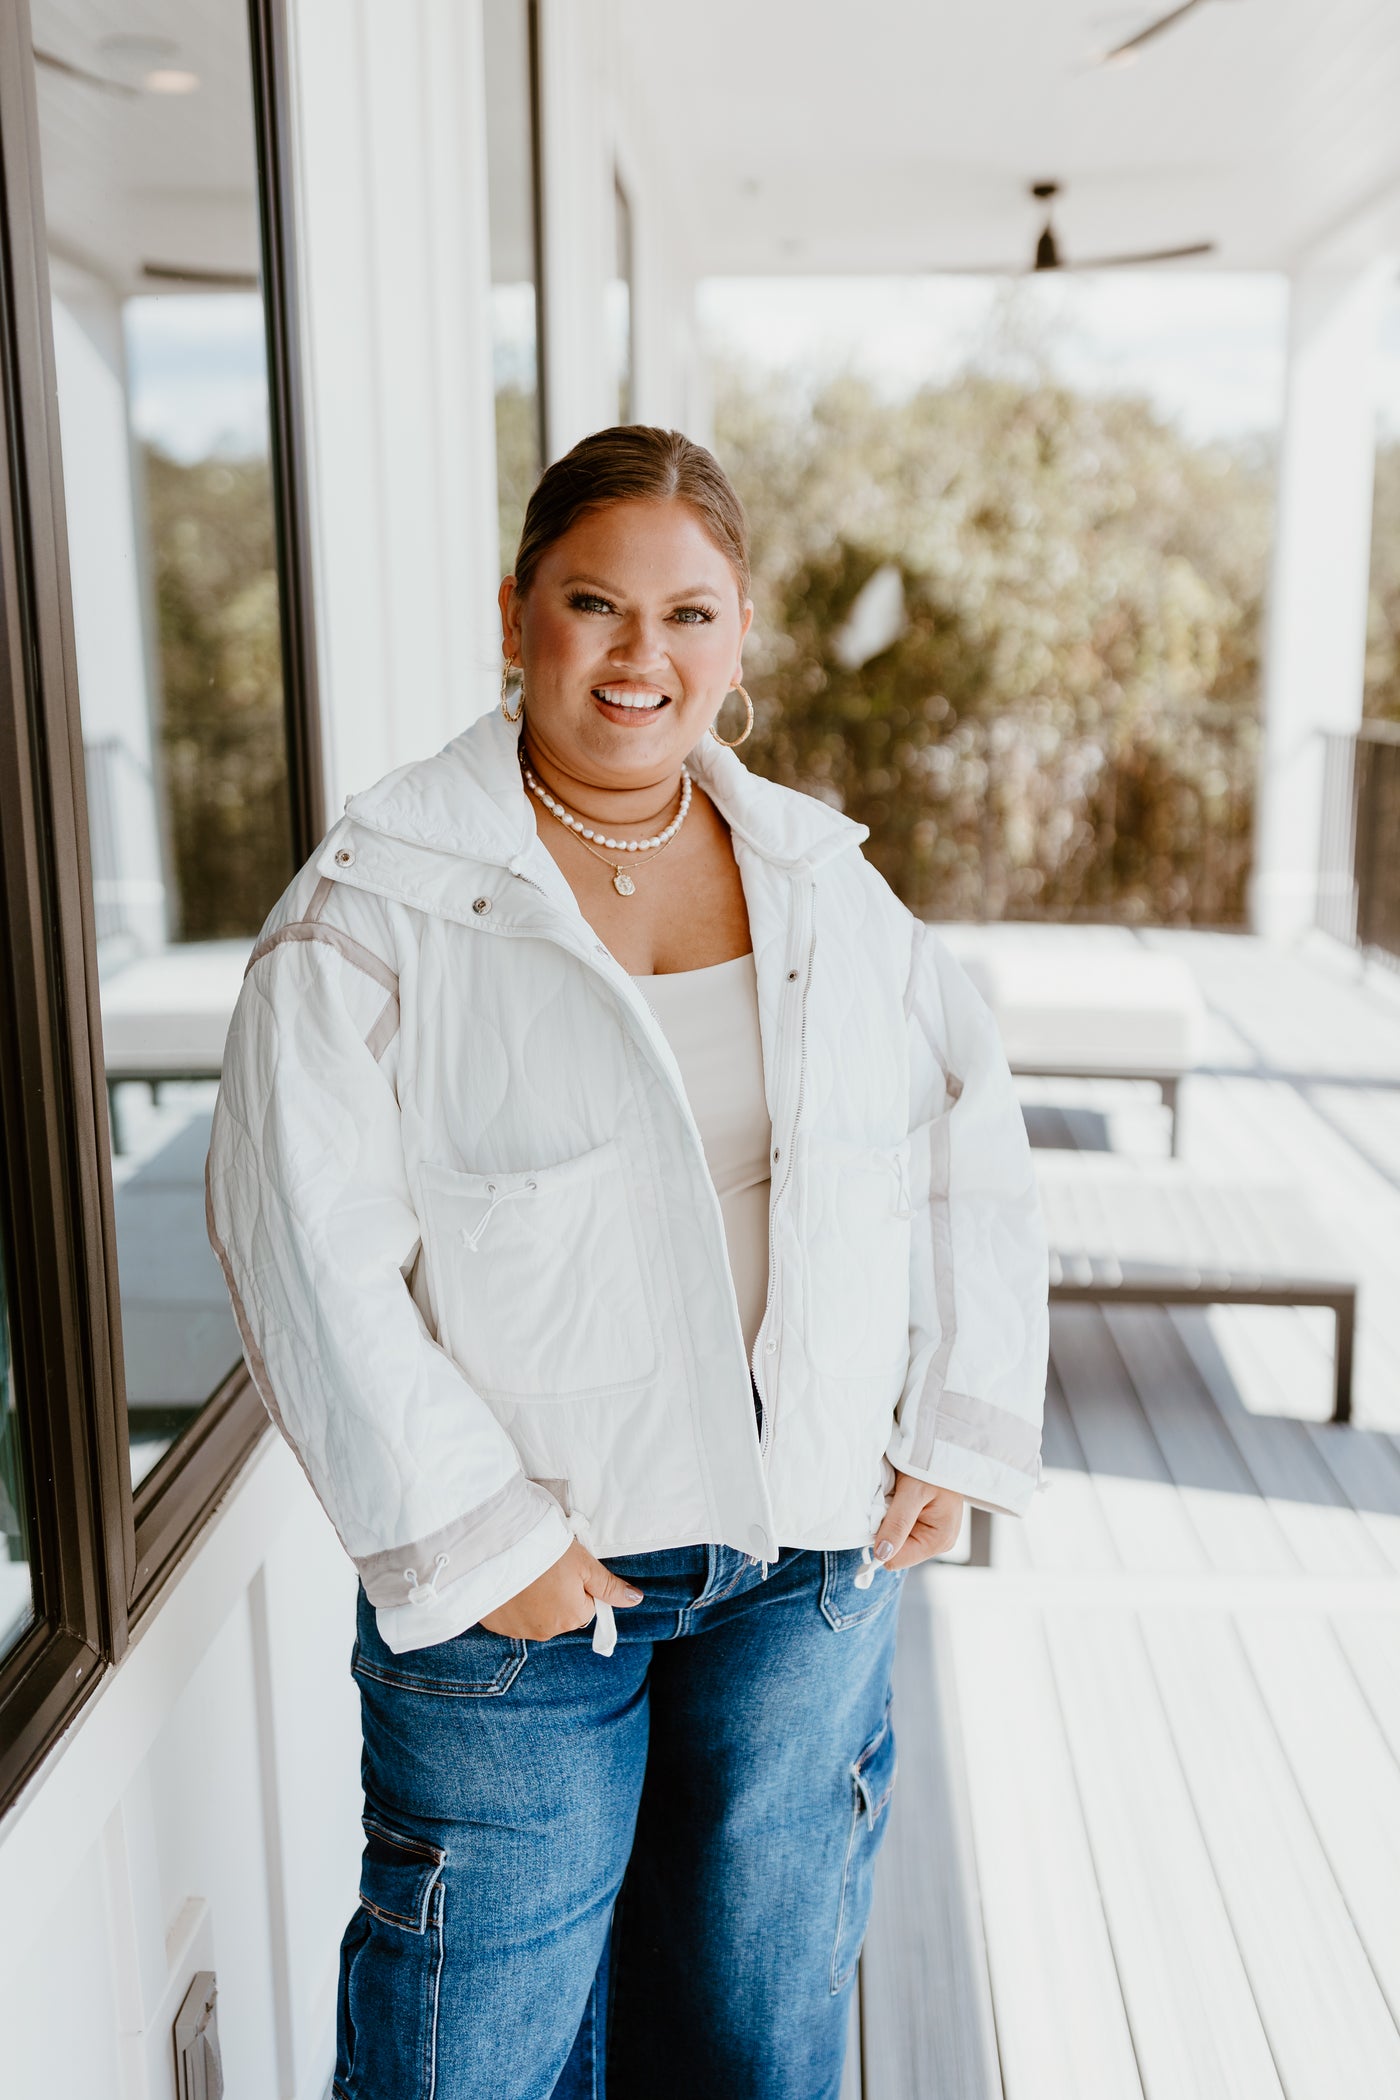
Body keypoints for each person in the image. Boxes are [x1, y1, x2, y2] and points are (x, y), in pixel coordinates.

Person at [207, 425, 1047, 2100]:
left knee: (753, 2036)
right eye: (594, 605)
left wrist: (950, 1427)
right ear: (515, 612)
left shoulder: (826, 882)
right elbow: (299, 1242)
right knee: (479, 2055)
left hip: (805, 1563)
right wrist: (481, 1538)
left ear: (740, 641)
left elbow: (968, 1143)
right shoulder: (380, 902)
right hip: (529, 1596)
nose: (639, 657)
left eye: (689, 615)